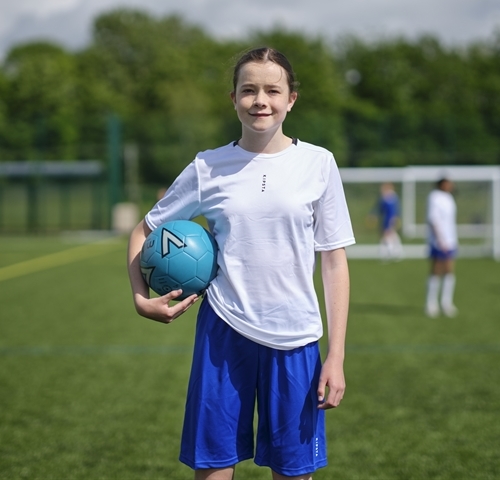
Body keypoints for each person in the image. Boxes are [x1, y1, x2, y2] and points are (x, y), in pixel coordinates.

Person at [127, 47, 355, 480]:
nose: (260, 100)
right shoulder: (208, 167)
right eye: (248, 90)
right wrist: (141, 298)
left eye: (273, 90)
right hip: (223, 332)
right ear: (233, 99)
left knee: (294, 471)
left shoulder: (318, 164)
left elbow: (334, 262)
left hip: (296, 338)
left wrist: (337, 355)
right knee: (213, 468)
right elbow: (143, 230)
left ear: (291, 99)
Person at [425, 177, 458, 318]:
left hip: (451, 240)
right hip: (439, 241)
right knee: (436, 270)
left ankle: (446, 302)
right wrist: (440, 239)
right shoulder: (434, 197)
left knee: (449, 270)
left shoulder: (449, 197)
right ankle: (431, 303)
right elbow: (433, 219)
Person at [374, 182, 404, 261]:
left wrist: (393, 220)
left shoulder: (390, 198)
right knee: (392, 236)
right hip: (387, 219)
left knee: (388, 236)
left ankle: (390, 253)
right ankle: (395, 252)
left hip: (390, 219)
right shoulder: (386, 198)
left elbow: (392, 212)